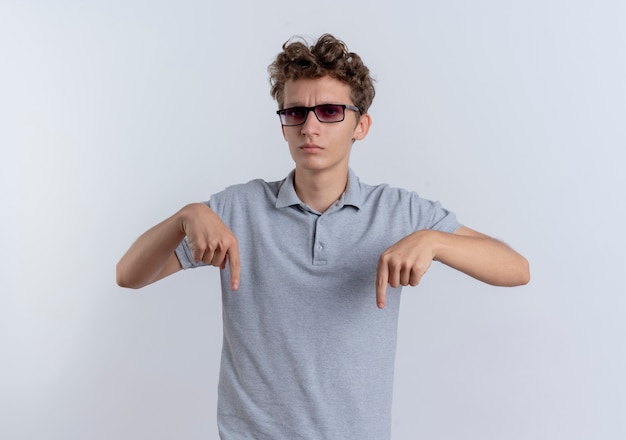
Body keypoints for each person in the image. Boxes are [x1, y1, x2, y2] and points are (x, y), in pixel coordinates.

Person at [116, 33, 530, 440]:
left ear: (361, 125)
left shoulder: (398, 211)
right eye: (295, 112)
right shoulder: (236, 210)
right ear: (282, 125)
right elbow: (129, 275)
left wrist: (436, 241)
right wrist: (186, 216)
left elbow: (516, 268)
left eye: (330, 111)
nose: (309, 127)